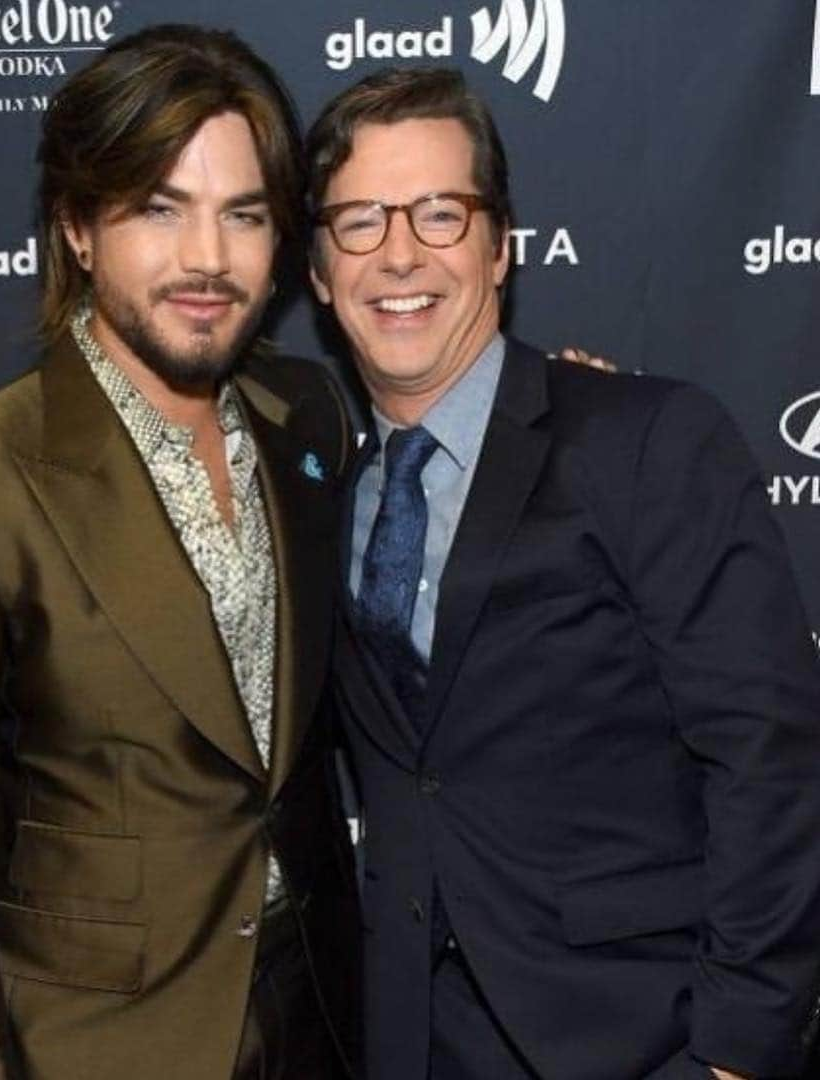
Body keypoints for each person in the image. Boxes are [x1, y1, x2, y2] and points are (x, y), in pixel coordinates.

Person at [0, 26, 360, 1080]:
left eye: (245, 216)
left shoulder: (306, 416)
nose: (208, 261)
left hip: (317, 1009)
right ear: (79, 226)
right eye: (160, 210)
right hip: (104, 1044)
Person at [309, 67, 820, 1080]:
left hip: (645, 1036)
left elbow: (772, 756)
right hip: (413, 1042)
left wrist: (734, 1054)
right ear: (318, 271)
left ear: (501, 247)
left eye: (440, 214)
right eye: (359, 220)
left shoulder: (643, 442)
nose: (399, 252)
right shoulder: (316, 485)